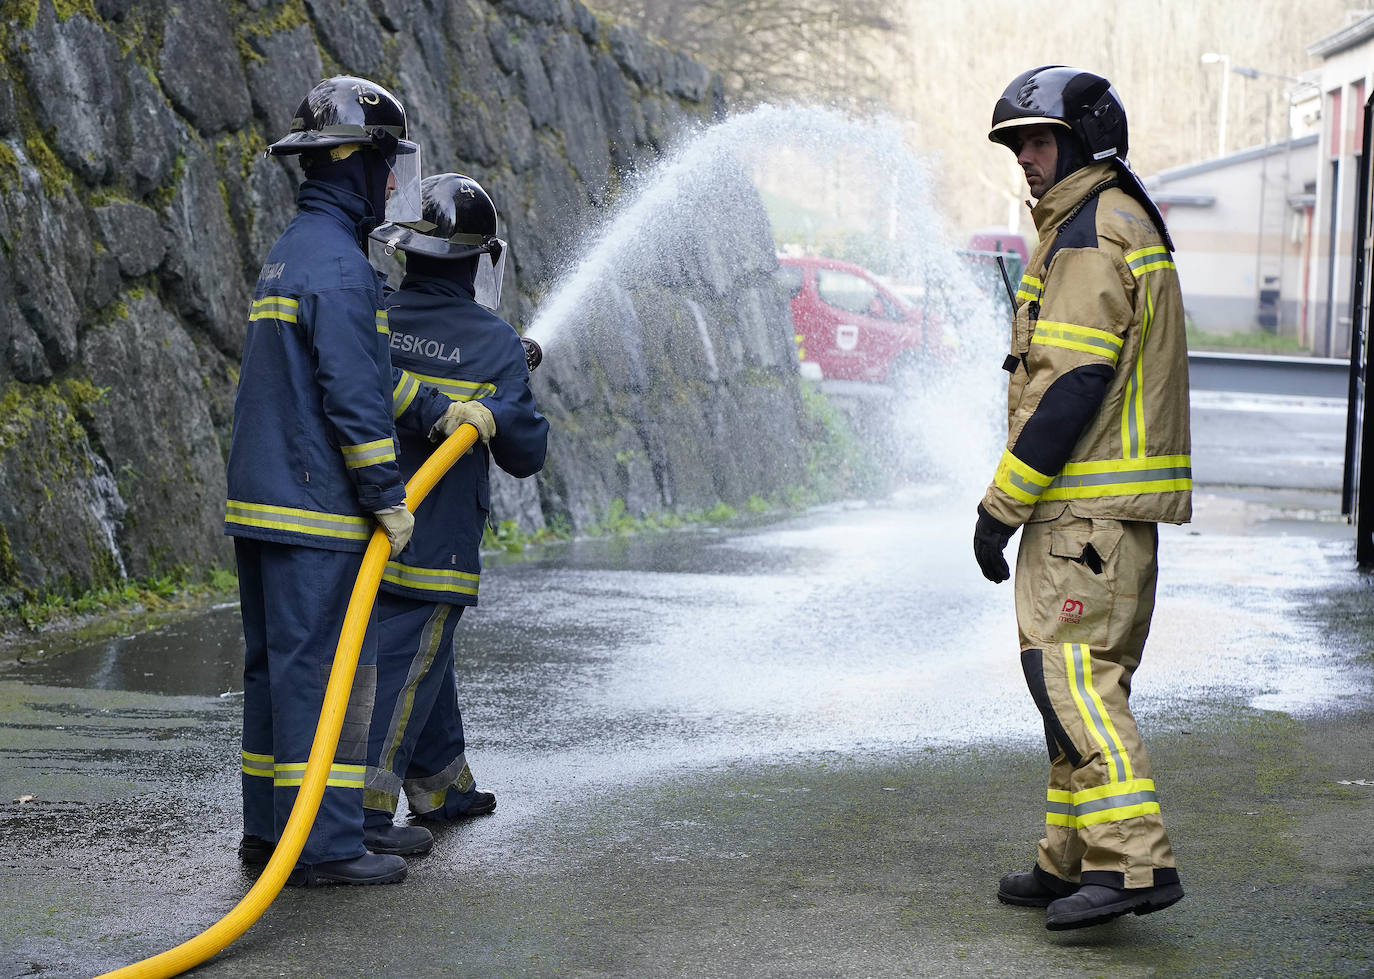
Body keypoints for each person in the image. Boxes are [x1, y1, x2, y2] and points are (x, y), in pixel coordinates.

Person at [971, 65, 1191, 930]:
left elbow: (1071, 386)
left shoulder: (1092, 233)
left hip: (1082, 517)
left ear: (1081, 142)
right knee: (1067, 683)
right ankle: (1072, 860)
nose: (1024, 158)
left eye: (1036, 140)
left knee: (1075, 682)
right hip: (1102, 517)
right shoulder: (1112, 220)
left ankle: (1137, 865)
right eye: (1017, 144)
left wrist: (1000, 506)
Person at [225, 75, 452, 886]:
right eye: (389, 164)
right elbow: (354, 398)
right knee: (324, 676)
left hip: (262, 502)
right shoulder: (344, 270)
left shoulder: (296, 250)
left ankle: (269, 833)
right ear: (362, 165)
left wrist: (440, 410)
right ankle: (320, 847)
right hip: (313, 508)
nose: (395, 183)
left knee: (277, 673)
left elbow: (360, 372)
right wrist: (389, 496)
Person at [362, 173, 548, 841]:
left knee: (420, 659)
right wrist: (513, 381)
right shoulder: (495, 343)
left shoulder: (374, 313)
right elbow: (524, 451)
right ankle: (365, 811)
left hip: (367, 530)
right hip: (435, 546)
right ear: (480, 258)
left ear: (405, 250)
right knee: (408, 665)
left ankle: (444, 786)